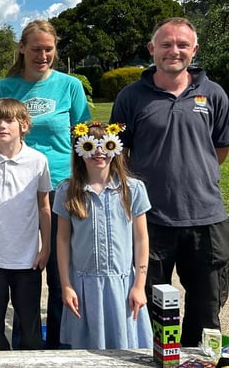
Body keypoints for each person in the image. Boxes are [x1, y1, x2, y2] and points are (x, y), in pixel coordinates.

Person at [110, 17, 229, 347]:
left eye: (181, 44)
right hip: (151, 220)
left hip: (207, 219)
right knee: (149, 307)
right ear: (152, 49)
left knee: (207, 309)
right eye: (165, 44)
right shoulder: (131, 97)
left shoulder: (214, 94)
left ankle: (201, 360)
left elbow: (219, 149)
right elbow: (117, 153)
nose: (173, 51)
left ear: (194, 50)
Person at [0, 19, 91, 349]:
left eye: (49, 49)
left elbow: (84, 137)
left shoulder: (69, 86)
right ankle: (25, 343)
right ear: (22, 48)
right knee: (24, 273)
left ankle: (61, 342)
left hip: (63, 189)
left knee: (62, 273)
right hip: (18, 194)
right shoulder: (5, 87)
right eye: (36, 49)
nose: (43, 55)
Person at [54, 121, 152, 349]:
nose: (98, 152)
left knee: (124, 348)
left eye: (105, 145)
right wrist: (67, 286)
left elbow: (141, 239)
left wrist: (139, 285)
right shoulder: (67, 192)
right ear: (80, 151)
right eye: (90, 145)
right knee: (87, 351)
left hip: (122, 286)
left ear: (115, 149)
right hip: (83, 286)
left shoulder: (132, 189)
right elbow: (62, 241)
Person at [0, 98, 52, 350]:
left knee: (29, 328)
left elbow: (44, 206)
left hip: (27, 261)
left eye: (8, 120)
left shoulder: (38, 161)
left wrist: (45, 248)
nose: (2, 125)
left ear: (24, 125)